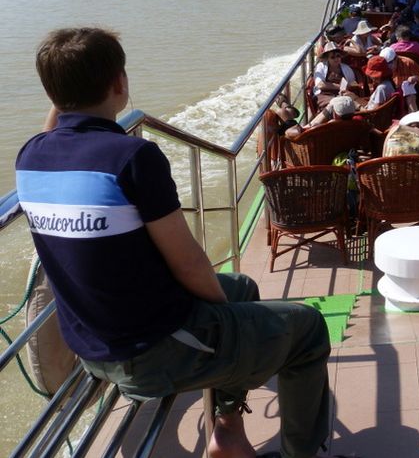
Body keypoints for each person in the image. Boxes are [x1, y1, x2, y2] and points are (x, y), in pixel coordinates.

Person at [15, 28, 332, 458]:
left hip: (90, 345)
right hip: (151, 352)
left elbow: (54, 132)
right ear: (120, 84)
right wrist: (227, 316)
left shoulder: (31, 158)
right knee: (309, 328)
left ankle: (228, 432)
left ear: (55, 94)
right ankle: (304, 453)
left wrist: (66, 86)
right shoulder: (133, 159)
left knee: (243, 287)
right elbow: (189, 266)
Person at [313, 41, 359, 108]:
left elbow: (353, 82)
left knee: (350, 101)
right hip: (324, 95)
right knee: (338, 104)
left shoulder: (346, 68)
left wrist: (349, 87)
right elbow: (320, 84)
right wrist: (339, 86)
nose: (336, 59)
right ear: (327, 58)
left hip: (343, 94)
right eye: (332, 57)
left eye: (338, 56)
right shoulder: (321, 66)